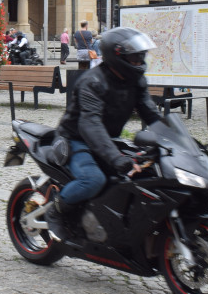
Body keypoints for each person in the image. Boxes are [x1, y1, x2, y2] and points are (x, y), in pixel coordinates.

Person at [44, 27, 161, 241]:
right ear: (117, 56)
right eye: (134, 57)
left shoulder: (136, 81)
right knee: (93, 180)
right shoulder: (93, 82)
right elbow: (90, 124)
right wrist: (117, 158)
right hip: (76, 140)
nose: (139, 61)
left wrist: (179, 141)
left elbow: (151, 113)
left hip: (107, 139)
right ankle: (55, 211)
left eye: (141, 56)